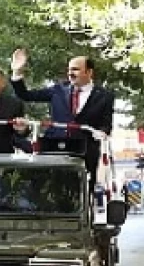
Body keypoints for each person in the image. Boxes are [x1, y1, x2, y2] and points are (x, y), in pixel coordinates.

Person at [9, 49, 115, 181]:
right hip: (55, 147)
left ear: (89, 72)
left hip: (85, 150)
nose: (70, 73)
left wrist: (102, 133)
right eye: (69, 70)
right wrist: (17, 72)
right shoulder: (58, 90)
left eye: (75, 69)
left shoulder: (105, 96)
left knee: (85, 188)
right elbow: (25, 95)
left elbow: (106, 124)